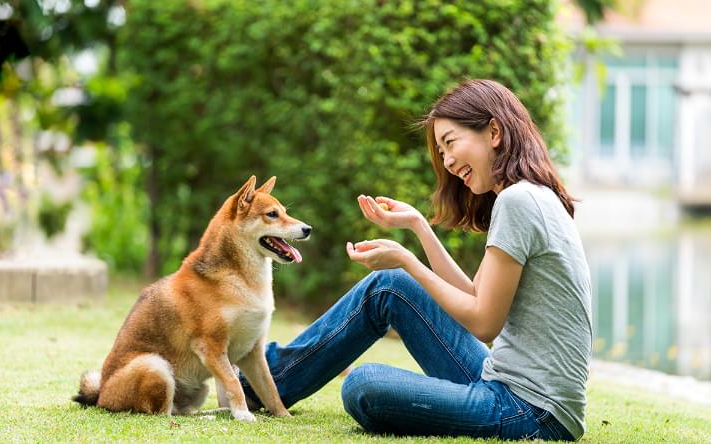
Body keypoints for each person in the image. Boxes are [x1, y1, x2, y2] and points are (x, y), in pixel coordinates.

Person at [238, 79, 592, 441]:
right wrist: (418, 227)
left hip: (530, 411)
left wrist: (407, 259)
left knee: (364, 384)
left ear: (495, 132)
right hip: (508, 386)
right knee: (388, 287)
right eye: (441, 151)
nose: (448, 161)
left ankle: (259, 382)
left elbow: (484, 323)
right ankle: (261, 383)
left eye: (451, 143)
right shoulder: (531, 196)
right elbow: (473, 294)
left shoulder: (517, 202)